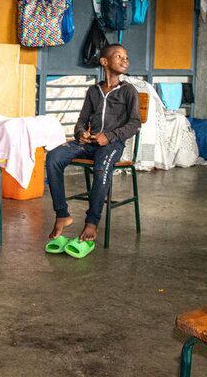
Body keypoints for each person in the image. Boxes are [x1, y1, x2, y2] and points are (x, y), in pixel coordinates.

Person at [44, 44, 141, 251]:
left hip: (112, 145)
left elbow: (135, 123)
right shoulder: (93, 91)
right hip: (89, 144)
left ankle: (92, 221)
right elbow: (81, 120)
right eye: (119, 56)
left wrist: (110, 136)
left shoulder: (128, 91)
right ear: (104, 62)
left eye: (126, 57)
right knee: (53, 157)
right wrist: (81, 133)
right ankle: (62, 214)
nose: (125, 60)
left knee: (101, 166)